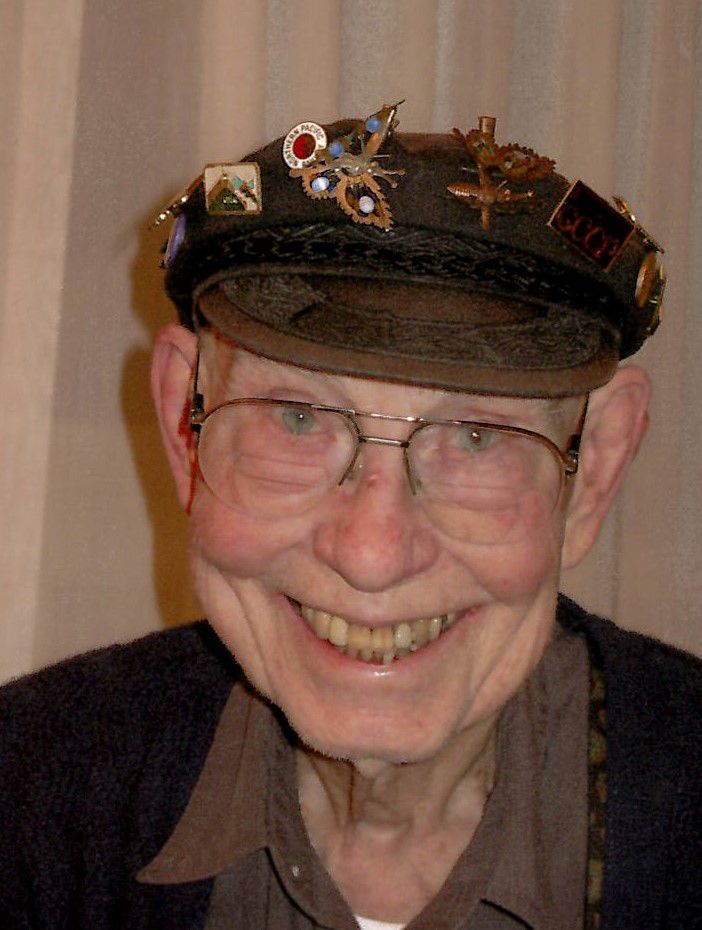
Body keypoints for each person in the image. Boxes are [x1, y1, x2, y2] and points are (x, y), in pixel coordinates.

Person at [1, 105, 699, 930]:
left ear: (595, 472)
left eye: (477, 437)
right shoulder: (25, 795)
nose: (372, 554)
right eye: (297, 419)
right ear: (187, 432)